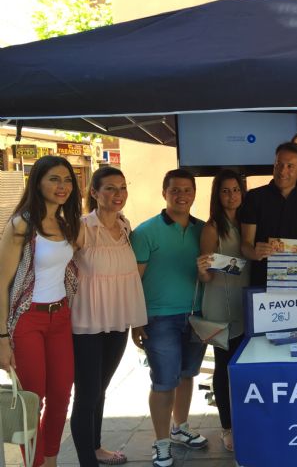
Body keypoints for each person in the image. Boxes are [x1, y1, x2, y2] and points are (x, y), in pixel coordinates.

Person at [0, 155, 82, 467]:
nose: (62, 186)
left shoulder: (65, 222)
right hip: (27, 319)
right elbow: (1, 283)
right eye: (54, 179)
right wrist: (2, 338)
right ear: (37, 182)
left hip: (60, 317)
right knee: (32, 401)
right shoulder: (22, 224)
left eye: (67, 180)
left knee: (61, 397)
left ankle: (50, 460)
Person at [70, 167, 148, 467]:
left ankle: (97, 447)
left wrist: (136, 321)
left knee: (100, 388)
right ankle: (86, 461)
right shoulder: (82, 228)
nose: (118, 194)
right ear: (94, 192)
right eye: (110, 188)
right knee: (87, 393)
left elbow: (127, 277)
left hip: (117, 323)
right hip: (86, 323)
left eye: (122, 188)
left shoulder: (126, 227)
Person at [130, 169, 207, 467]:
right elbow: (134, 281)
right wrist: (135, 320)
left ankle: (180, 428)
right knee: (164, 382)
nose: (182, 195)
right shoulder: (145, 232)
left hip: (196, 315)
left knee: (187, 374)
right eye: (175, 190)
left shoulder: (203, 230)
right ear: (164, 193)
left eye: (187, 190)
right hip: (159, 318)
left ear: (194, 194)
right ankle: (161, 443)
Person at [196, 169, 250, 453]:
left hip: (246, 303)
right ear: (217, 195)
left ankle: (244, 421)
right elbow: (206, 274)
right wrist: (203, 271)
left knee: (243, 367)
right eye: (226, 191)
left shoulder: (249, 222)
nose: (232, 196)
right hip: (220, 303)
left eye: (236, 190)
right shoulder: (212, 227)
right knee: (224, 367)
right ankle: (227, 427)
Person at [239, 142, 297, 288]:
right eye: (279, 164)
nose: (282, 171)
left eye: (290, 166)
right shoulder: (255, 197)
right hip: (261, 283)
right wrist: (254, 252)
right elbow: (245, 244)